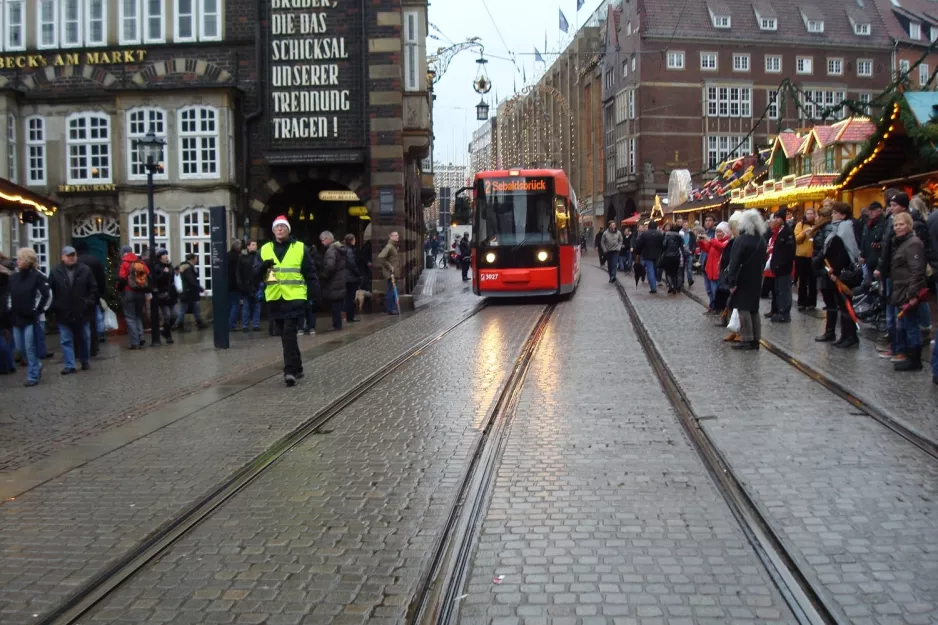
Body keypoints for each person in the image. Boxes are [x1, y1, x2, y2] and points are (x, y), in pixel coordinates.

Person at [257, 215, 319, 386]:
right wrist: (263, 267)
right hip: (275, 299)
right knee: (285, 336)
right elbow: (255, 274)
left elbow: (310, 273)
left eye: (283, 226)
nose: (280, 229)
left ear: (288, 230)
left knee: (289, 334)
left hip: (295, 298)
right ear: (273, 230)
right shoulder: (265, 249)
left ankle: (289, 371)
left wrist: (314, 297)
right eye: (277, 227)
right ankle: (297, 367)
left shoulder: (300, 248)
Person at [888, 212, 928, 371]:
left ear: (909, 225)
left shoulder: (913, 243)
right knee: (905, 324)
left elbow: (917, 270)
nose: (898, 227)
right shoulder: (900, 243)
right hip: (900, 289)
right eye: (896, 225)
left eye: (901, 224)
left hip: (908, 290)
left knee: (911, 325)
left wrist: (912, 295)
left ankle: (914, 359)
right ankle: (909, 356)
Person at [48, 246, 98, 373]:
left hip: (82, 311)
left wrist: (88, 302)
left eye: (73, 255)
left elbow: (93, 288)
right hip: (63, 311)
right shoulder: (55, 272)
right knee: (66, 339)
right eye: (68, 255)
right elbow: (50, 291)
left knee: (84, 338)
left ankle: (84, 360)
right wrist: (55, 305)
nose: (71, 258)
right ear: (63, 257)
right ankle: (70, 365)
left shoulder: (85, 270)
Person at [7, 248, 51, 386]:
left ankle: (33, 375)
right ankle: (36, 365)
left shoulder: (38, 276)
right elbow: (9, 295)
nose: (17, 261)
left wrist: (37, 311)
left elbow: (46, 295)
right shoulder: (14, 277)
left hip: (30, 318)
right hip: (16, 317)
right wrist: (9, 309)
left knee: (30, 347)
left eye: (19, 259)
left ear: (27, 260)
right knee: (20, 348)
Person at [725, 209, 768, 351]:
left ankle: (747, 338)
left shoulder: (741, 240)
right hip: (756, 277)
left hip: (742, 277)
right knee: (754, 308)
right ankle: (756, 338)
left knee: (743, 308)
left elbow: (734, 262)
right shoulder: (761, 240)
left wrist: (731, 281)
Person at [820, 202, 861, 348]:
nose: (832, 215)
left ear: (843, 215)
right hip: (836, 271)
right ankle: (845, 335)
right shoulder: (838, 228)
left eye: (835, 212)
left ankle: (850, 336)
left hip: (843, 273)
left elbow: (844, 254)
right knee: (842, 305)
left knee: (846, 305)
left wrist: (835, 272)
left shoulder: (845, 228)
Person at [76, 242, 107, 356]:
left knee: (80, 323)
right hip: (94, 295)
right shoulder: (95, 260)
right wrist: (101, 293)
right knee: (93, 321)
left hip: (78, 296)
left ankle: (82, 347)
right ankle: (94, 345)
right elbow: (101, 278)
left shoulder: (76, 262)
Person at [117, 245, 149, 350]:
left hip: (128, 292)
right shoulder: (140, 262)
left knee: (130, 317)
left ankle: (135, 342)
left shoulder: (124, 263)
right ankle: (141, 336)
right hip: (140, 292)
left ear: (123, 253)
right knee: (138, 316)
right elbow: (147, 274)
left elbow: (121, 278)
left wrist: (119, 288)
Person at [768, 208, 795, 323]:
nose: (776, 220)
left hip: (784, 267)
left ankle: (784, 313)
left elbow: (789, 251)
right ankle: (779, 311)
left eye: (778, 218)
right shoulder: (779, 231)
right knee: (778, 290)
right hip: (778, 267)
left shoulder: (787, 232)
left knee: (784, 290)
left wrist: (780, 264)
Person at [697, 222, 730, 313]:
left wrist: (709, 239)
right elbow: (707, 248)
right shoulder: (715, 241)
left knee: (715, 291)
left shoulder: (727, 241)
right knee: (709, 290)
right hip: (709, 270)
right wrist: (701, 242)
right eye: (717, 232)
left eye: (720, 232)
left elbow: (721, 247)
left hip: (717, 271)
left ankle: (717, 308)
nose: (718, 234)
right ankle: (712, 306)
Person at [320, 230, 348, 331]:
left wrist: (323, 275)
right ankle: (338, 324)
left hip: (334, 281)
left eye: (322, 240)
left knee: (335, 305)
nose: (322, 243)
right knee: (338, 304)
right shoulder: (339, 248)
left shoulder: (331, 250)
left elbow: (330, 267)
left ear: (327, 239)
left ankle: (337, 325)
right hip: (340, 280)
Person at [151, 249, 177, 344]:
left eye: (166, 254)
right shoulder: (157, 267)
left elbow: (172, 278)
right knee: (167, 315)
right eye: (163, 255)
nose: (166, 256)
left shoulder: (169, 266)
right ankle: (168, 336)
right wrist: (164, 274)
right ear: (159, 257)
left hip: (171, 294)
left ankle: (165, 331)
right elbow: (156, 280)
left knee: (174, 315)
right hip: (162, 294)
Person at [794, 209, 818, 311]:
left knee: (813, 281)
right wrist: (804, 232)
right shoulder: (800, 225)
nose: (809, 216)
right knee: (802, 280)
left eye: (811, 213)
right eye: (808, 214)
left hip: (813, 256)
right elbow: (796, 238)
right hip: (801, 255)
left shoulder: (817, 224)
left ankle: (812, 302)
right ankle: (802, 302)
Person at [632, 220, 664, 293]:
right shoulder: (660, 234)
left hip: (647, 254)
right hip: (657, 255)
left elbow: (639, 244)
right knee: (655, 269)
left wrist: (638, 253)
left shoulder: (644, 234)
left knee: (650, 270)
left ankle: (653, 287)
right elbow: (663, 245)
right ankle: (655, 281)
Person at [176, 253, 206, 332]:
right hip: (187, 292)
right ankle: (179, 325)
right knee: (183, 309)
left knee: (195, 307)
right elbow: (191, 280)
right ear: (192, 259)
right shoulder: (188, 268)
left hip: (189, 292)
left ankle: (199, 322)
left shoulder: (187, 267)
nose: (197, 260)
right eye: (196, 258)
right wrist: (201, 289)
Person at [237, 240, 262, 332]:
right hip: (246, 284)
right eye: (253, 244)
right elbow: (239, 272)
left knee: (257, 306)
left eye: (256, 244)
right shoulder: (242, 257)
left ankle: (256, 324)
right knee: (246, 306)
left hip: (257, 284)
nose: (255, 246)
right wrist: (241, 284)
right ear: (248, 246)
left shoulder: (258, 256)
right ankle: (245, 325)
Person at [378, 231, 401, 315]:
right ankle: (391, 309)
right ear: (390, 237)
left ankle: (393, 308)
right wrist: (390, 266)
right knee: (391, 291)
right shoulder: (389, 246)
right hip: (390, 273)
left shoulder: (394, 247)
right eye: (395, 235)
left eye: (397, 235)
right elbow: (381, 257)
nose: (397, 237)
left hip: (393, 273)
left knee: (392, 290)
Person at [659, 224, 684, 294]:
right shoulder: (679, 237)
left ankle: (671, 286)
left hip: (667, 256)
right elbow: (681, 247)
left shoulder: (667, 236)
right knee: (675, 272)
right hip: (677, 256)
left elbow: (663, 245)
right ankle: (675, 287)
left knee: (668, 273)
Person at [344, 234, 362, 323]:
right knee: (350, 298)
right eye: (354, 239)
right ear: (351, 240)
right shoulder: (349, 250)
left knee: (348, 297)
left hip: (347, 276)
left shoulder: (346, 249)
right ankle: (350, 317)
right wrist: (358, 273)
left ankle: (349, 316)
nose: (355, 241)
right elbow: (352, 264)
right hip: (350, 277)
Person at [227, 239, 243, 330]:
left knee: (229, 305)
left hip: (227, 284)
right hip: (235, 284)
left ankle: (227, 323)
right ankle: (232, 324)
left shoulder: (227, 255)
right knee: (235, 305)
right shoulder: (237, 257)